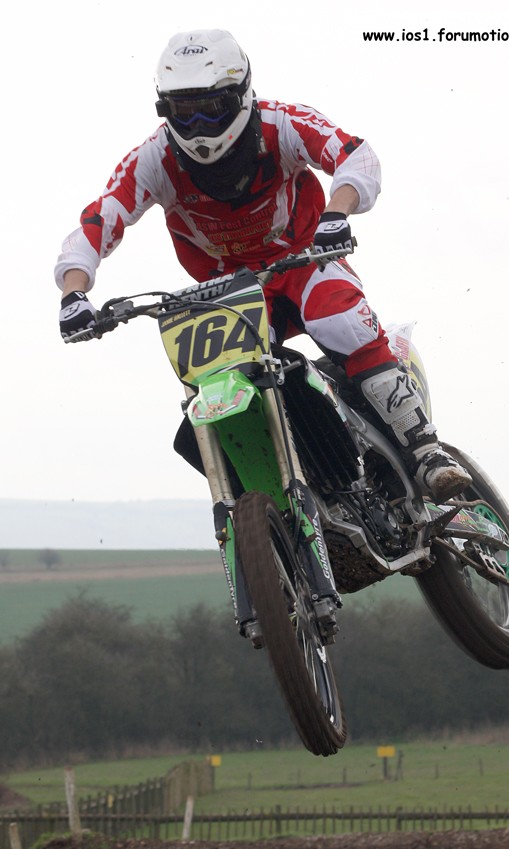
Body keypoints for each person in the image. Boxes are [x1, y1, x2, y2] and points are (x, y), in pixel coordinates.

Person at [56, 28, 470, 503]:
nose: (199, 127)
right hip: (231, 289)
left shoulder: (283, 123)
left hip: (305, 259)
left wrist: (337, 213)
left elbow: (354, 155)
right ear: (164, 110)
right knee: (215, 381)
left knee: (339, 319)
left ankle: (425, 450)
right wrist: (73, 294)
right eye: (183, 112)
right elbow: (101, 217)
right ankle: (295, 487)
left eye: (211, 108)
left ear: (240, 95)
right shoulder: (153, 158)